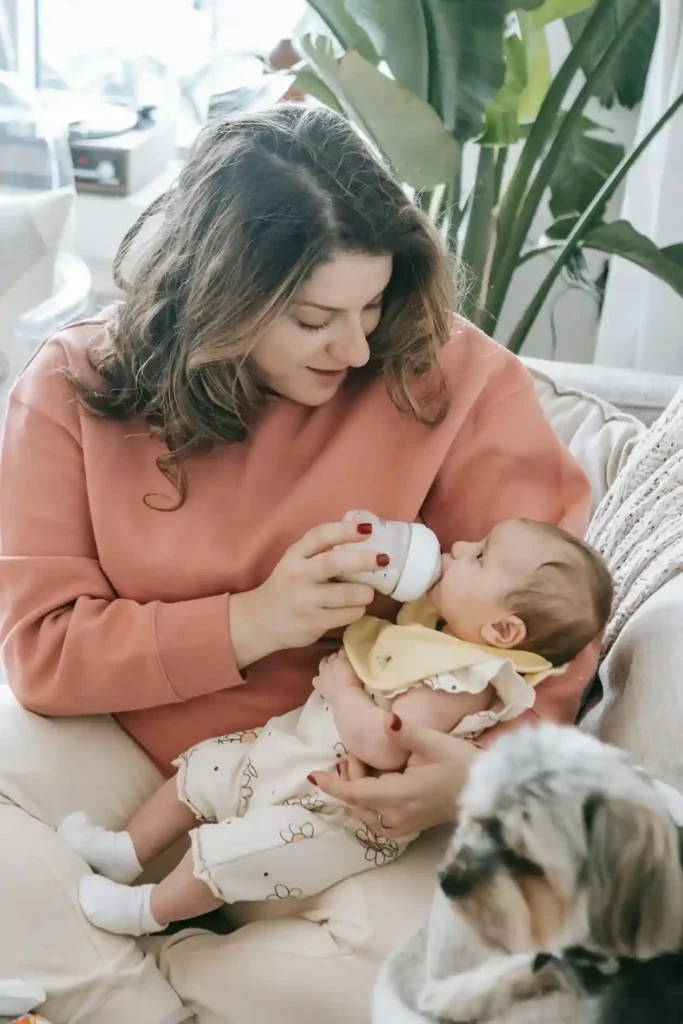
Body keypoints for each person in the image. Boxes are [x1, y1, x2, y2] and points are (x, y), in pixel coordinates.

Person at [0, 104, 598, 1024]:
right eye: (316, 317)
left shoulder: (455, 380)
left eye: (372, 305)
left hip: (350, 795)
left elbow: (549, 639)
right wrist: (252, 622)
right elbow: (40, 653)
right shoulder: (76, 386)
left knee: (426, 975)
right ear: (216, 294)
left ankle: (137, 981)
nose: (355, 348)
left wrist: (471, 781)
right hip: (124, 757)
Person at [57, 517, 611, 941]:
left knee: (235, 856)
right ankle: (124, 850)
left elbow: (386, 745)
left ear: (502, 630)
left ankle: (143, 912)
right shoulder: (440, 631)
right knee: (202, 769)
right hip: (292, 755)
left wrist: (344, 689)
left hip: (334, 815)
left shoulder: (466, 680)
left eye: (481, 556)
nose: (461, 546)